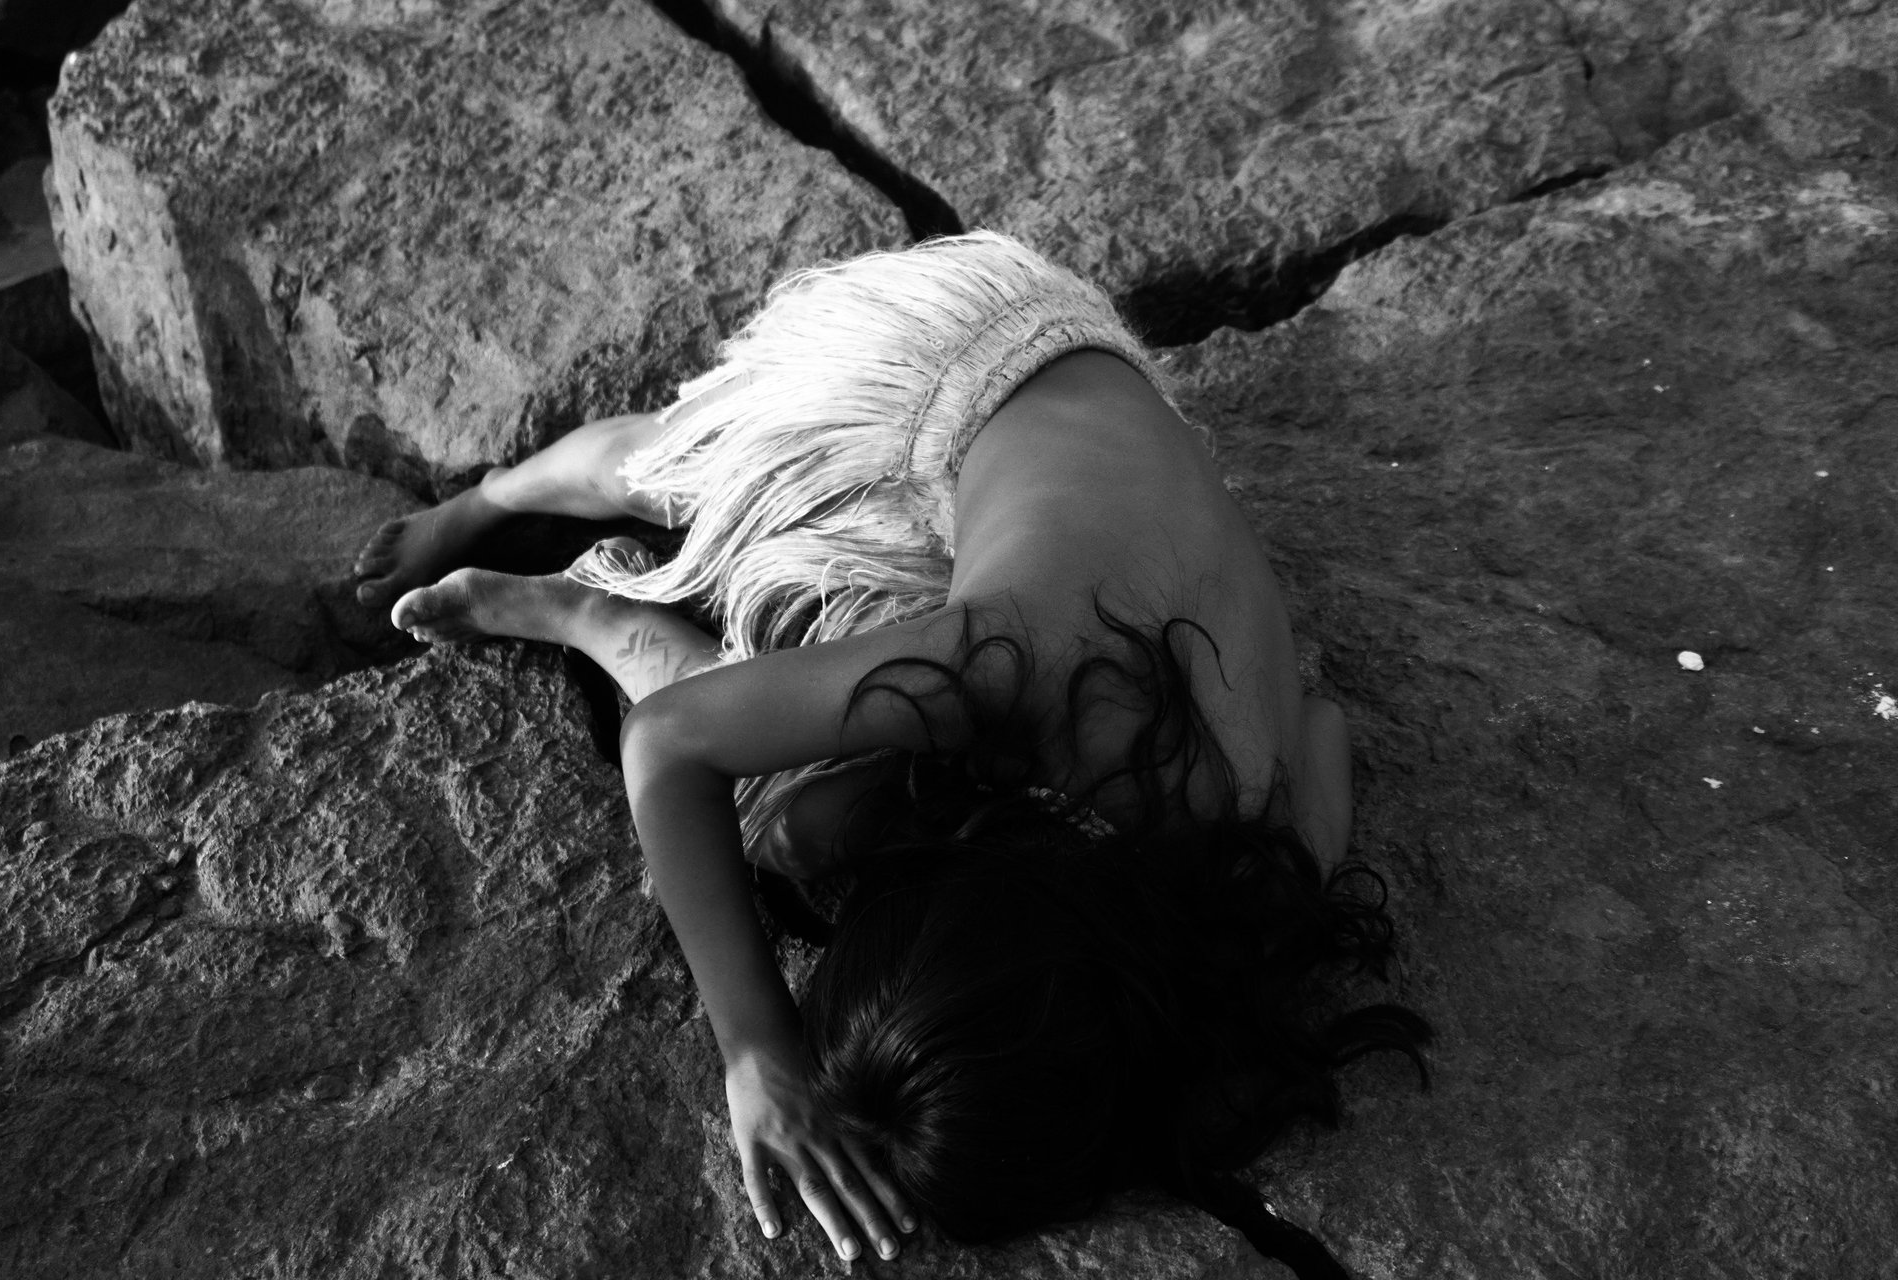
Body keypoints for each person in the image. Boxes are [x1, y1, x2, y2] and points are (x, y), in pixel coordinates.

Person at [354, 232, 1427, 1266]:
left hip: (1062, 515)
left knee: (802, 829)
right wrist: (757, 1050)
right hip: (959, 368)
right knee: (676, 467)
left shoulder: (1262, 865)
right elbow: (665, 741)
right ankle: (490, 497)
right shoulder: (1010, 665)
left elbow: (1323, 724)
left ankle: (595, 616)